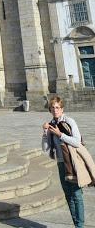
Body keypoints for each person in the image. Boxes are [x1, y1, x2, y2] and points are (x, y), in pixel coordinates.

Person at [42, 96, 95, 228]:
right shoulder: (51, 125)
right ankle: (76, 223)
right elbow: (46, 149)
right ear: (50, 110)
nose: (55, 110)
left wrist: (60, 135)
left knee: (76, 194)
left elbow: (77, 141)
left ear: (62, 109)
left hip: (73, 162)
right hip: (61, 163)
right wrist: (45, 133)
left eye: (57, 107)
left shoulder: (69, 121)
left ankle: (80, 226)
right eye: (52, 108)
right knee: (68, 195)